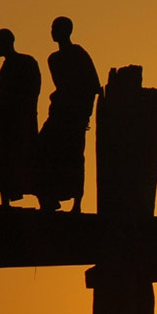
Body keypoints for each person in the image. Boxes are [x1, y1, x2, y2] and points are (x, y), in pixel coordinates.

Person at [39, 15, 101, 213]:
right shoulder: (53, 59)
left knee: (74, 156)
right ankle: (49, 197)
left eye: (56, 28)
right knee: (44, 150)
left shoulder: (78, 53)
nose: (52, 32)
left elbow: (93, 86)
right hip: (59, 113)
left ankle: (77, 203)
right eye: (52, 27)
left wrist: (86, 115)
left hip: (74, 115)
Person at [0, 28, 41, 206]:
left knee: (26, 157)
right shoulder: (9, 64)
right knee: (6, 159)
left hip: (20, 122)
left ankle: (42, 197)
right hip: (6, 123)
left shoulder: (25, 62)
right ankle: (5, 198)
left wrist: (9, 84)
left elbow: (32, 89)